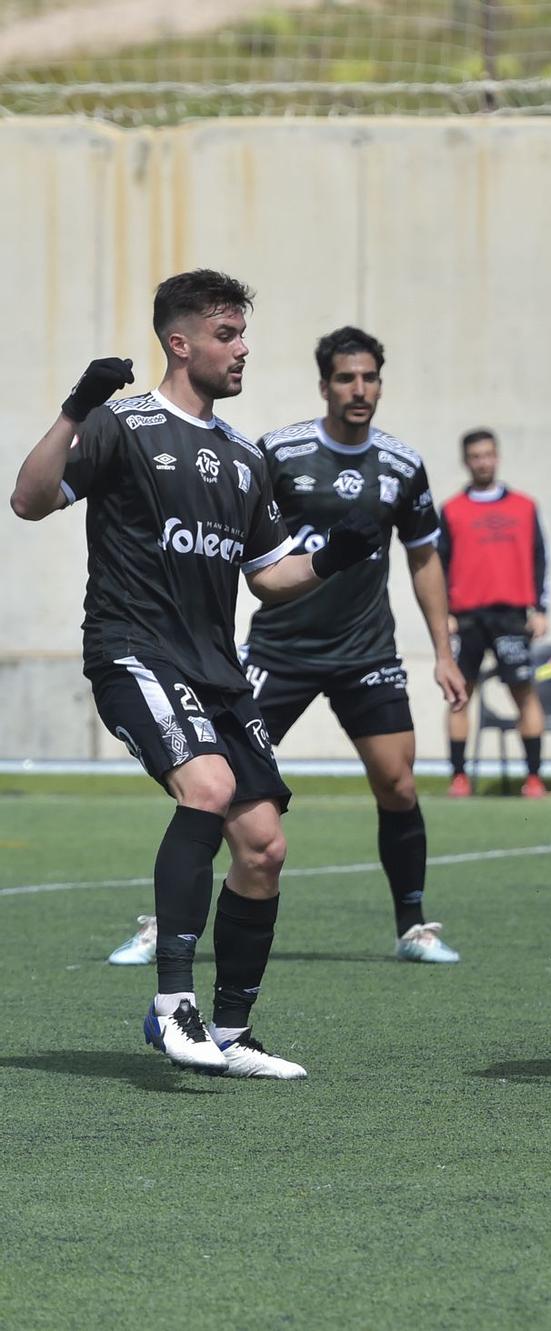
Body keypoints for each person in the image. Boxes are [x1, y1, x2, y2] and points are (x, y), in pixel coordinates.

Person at [10, 269, 381, 1077]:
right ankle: (172, 1006)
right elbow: (29, 499)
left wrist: (334, 557)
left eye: (243, 333)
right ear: (179, 343)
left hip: (216, 673)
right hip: (133, 651)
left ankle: (229, 1032)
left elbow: (269, 574)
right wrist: (77, 406)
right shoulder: (125, 423)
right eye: (226, 334)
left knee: (264, 845)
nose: (242, 349)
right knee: (208, 791)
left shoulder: (245, 454)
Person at [232, 326, 469, 965]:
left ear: (380, 384)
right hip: (277, 650)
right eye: (346, 378)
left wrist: (443, 652)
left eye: (369, 378)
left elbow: (424, 559)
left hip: (367, 653)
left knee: (397, 783)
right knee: (220, 782)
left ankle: (413, 928)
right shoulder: (277, 454)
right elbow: (237, 542)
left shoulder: (401, 464)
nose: (358, 389)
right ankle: (165, 925)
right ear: (324, 385)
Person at [439, 428, 550, 798]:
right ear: (466, 461)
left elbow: (539, 560)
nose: (483, 461)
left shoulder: (524, 506)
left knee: (524, 694)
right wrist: (444, 614)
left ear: (497, 456)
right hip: (466, 616)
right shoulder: (451, 510)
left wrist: (540, 609)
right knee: (459, 695)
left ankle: (534, 779)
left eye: (488, 454)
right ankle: (459, 777)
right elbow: (437, 566)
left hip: (511, 615)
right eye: (475, 456)